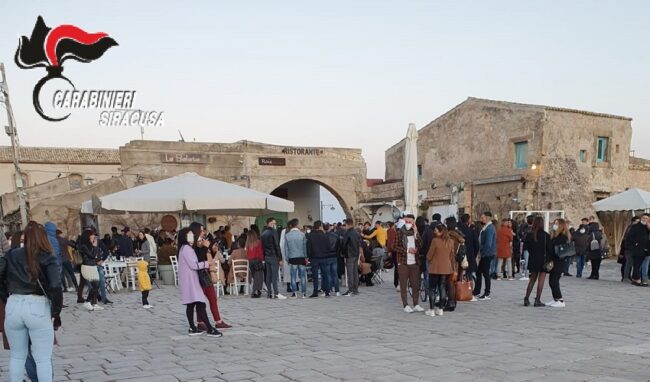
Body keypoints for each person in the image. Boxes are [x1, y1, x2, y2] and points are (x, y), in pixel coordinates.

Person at [0, 222, 63, 382]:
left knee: (16, 356)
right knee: (42, 358)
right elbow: (55, 285)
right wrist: (56, 312)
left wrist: (6, 298)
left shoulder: (11, 254)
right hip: (36, 305)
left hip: (14, 304)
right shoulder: (47, 255)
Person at [176, 227, 222, 337]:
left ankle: (192, 327)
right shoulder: (187, 248)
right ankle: (209, 328)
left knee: (191, 304)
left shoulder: (184, 248)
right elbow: (193, 265)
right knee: (200, 303)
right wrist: (207, 264)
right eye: (190, 235)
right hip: (191, 280)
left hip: (189, 280)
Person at [189, 222, 231, 328]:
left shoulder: (202, 243)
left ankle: (218, 321)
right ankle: (200, 323)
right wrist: (204, 247)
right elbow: (197, 260)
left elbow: (205, 257)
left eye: (204, 230)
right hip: (197, 275)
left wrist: (212, 251)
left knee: (213, 298)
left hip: (205, 274)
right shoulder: (191, 245)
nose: (204, 232)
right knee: (200, 300)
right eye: (202, 230)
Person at [394, 214, 424, 313]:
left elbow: (420, 244)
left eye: (409, 222)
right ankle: (405, 305)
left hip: (414, 262)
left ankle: (416, 304)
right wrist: (407, 250)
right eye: (406, 222)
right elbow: (394, 246)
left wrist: (416, 233)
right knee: (403, 284)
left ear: (413, 223)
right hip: (403, 262)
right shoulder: (399, 232)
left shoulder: (414, 232)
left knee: (415, 284)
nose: (407, 224)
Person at [426, 224, 455, 317]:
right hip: (446, 269)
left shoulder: (435, 241)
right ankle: (441, 309)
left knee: (432, 289)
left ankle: (431, 310)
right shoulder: (450, 241)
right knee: (442, 288)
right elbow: (451, 256)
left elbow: (429, 255)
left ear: (440, 231)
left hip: (435, 268)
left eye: (436, 231)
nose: (434, 232)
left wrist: (429, 260)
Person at [523, 216, 552, 307]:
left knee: (532, 280)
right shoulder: (546, 235)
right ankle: (537, 299)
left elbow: (526, 248)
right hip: (543, 260)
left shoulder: (530, 235)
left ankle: (526, 298)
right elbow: (550, 249)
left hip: (533, 259)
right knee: (541, 280)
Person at [78, 230, 104, 311]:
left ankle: (94, 303)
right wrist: (95, 246)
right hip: (87, 267)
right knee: (95, 285)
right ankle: (87, 302)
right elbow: (92, 255)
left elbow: (95, 255)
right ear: (88, 236)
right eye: (92, 235)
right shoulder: (84, 246)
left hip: (92, 266)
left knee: (97, 285)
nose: (94, 237)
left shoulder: (90, 245)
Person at [261, 218, 286, 299]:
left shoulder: (263, 233)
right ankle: (276, 293)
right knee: (274, 276)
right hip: (274, 256)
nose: (274, 225)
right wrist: (280, 258)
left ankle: (269, 293)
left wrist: (264, 257)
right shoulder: (273, 232)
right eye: (273, 223)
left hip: (267, 256)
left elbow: (263, 247)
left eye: (275, 223)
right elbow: (277, 245)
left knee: (268, 275)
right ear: (269, 223)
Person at [473, 212, 496, 300]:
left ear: (487, 218)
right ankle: (477, 291)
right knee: (479, 272)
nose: (481, 219)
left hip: (487, 253)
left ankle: (487, 292)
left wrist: (482, 252)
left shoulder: (490, 228)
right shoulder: (486, 227)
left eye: (482, 217)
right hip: (485, 253)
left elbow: (488, 243)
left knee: (485, 273)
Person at [284, 219, 308, 298]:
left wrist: (287, 258)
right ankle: (303, 293)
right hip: (301, 257)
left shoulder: (287, 235)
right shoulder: (302, 234)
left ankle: (294, 293)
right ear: (297, 225)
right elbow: (305, 247)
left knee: (293, 276)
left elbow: (286, 249)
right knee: (303, 276)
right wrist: (306, 257)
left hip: (292, 258)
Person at [548, 219, 570, 307]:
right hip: (554, 260)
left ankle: (560, 300)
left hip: (559, 261)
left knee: (554, 280)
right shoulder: (555, 236)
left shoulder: (562, 237)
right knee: (551, 280)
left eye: (557, 224)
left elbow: (556, 249)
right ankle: (556, 299)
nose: (555, 225)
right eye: (554, 223)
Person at [458, 214, 479, 295]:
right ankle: (469, 292)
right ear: (468, 220)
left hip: (459, 256)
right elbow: (476, 244)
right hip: (469, 255)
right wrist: (474, 254)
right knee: (469, 274)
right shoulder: (471, 231)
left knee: (459, 273)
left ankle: (459, 291)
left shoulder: (458, 230)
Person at [628, 214, 650, 286]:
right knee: (637, 264)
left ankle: (642, 279)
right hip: (638, 249)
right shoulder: (636, 226)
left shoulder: (647, 227)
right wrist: (635, 244)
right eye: (643, 218)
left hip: (647, 250)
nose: (644, 219)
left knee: (644, 265)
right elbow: (630, 237)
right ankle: (636, 279)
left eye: (646, 218)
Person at [341, 218, 361, 296]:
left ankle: (350, 289)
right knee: (355, 272)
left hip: (349, 255)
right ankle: (355, 289)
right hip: (356, 254)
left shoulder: (348, 233)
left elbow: (344, 244)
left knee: (350, 273)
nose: (345, 226)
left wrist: (342, 252)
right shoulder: (356, 232)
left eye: (345, 225)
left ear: (348, 224)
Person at [246, 230, 265, 298]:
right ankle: (255, 291)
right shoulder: (258, 242)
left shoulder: (248, 243)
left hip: (251, 262)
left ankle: (257, 291)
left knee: (255, 277)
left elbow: (247, 253)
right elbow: (260, 252)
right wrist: (262, 260)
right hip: (257, 260)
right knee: (259, 277)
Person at [323, 223, 341, 296]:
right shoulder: (336, 236)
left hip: (327, 257)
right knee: (335, 274)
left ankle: (329, 290)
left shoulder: (324, 237)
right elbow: (339, 247)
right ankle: (337, 291)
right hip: (334, 256)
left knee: (328, 274)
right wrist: (337, 254)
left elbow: (323, 248)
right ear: (330, 228)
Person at [517, 216, 534, 281]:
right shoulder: (535, 229)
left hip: (527, 246)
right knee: (530, 260)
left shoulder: (525, 229)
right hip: (533, 247)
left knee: (526, 260)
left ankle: (526, 274)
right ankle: (530, 273)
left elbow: (522, 237)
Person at [386, 221, 398, 289]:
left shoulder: (391, 230)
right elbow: (390, 241)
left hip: (394, 250)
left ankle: (396, 282)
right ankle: (396, 282)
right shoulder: (391, 231)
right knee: (396, 267)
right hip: (394, 250)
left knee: (396, 267)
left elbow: (389, 241)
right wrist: (389, 250)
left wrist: (389, 250)